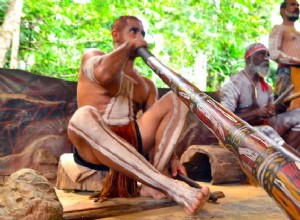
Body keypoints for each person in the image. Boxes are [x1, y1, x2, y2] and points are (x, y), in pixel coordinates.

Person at [67, 15, 209, 215]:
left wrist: (173, 157)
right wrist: (129, 47)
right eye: (133, 31)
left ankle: (153, 183)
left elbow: (160, 126)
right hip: (92, 147)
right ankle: (170, 187)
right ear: (115, 35)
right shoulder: (92, 57)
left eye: (142, 33)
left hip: (133, 140)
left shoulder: (146, 85)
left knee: (178, 97)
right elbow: (104, 76)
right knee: (82, 115)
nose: (140, 36)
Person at [220, 43, 300, 152]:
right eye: (261, 54)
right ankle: (289, 160)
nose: (266, 58)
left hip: (262, 128)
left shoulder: (266, 88)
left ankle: (288, 157)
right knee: (267, 131)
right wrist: (256, 112)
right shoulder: (234, 84)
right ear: (248, 60)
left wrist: (277, 109)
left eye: (267, 55)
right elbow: (224, 120)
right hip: (239, 133)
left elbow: (269, 115)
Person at [269, 0, 300, 110]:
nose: (296, 7)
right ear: (282, 11)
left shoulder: (298, 33)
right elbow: (273, 53)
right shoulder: (279, 28)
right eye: (292, 5)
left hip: (298, 74)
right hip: (287, 73)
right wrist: (297, 61)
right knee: (284, 108)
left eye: (298, 5)